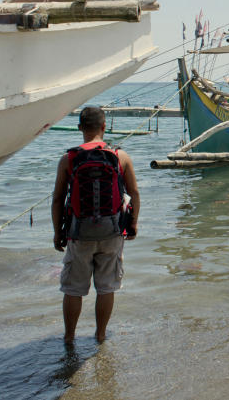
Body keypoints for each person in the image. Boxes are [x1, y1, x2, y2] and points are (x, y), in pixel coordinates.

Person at [52, 106, 140, 344]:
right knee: (106, 287)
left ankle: (69, 338)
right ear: (104, 127)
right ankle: (100, 336)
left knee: (73, 289)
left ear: (80, 128)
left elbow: (58, 198)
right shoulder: (120, 157)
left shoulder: (69, 158)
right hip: (112, 232)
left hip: (79, 233)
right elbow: (134, 193)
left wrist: (58, 233)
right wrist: (133, 224)